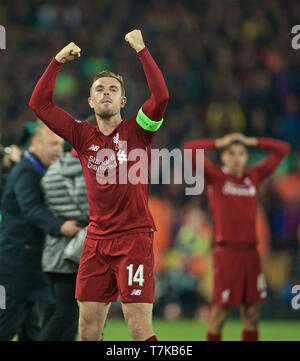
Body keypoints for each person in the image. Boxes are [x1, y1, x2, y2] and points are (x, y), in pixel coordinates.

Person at [29, 29, 169, 341]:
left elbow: (161, 97)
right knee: (87, 331)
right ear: (91, 101)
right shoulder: (81, 135)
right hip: (95, 242)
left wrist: (142, 50)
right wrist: (57, 61)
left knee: (139, 329)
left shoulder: (139, 130)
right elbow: (39, 104)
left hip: (133, 239)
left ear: (122, 99)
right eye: (100, 89)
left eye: (113, 89)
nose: (106, 92)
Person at [183, 133, 290, 341]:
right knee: (220, 314)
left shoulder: (253, 177)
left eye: (241, 153)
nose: (237, 157)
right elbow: (188, 149)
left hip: (251, 254)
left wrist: (253, 141)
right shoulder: (216, 177)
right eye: (231, 153)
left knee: (252, 314)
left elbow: (283, 149)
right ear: (223, 158)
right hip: (227, 254)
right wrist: (217, 142)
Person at [0, 125, 82, 341]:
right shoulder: (27, 171)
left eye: (61, 145)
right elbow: (31, 209)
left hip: (28, 268)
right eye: (53, 144)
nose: (59, 150)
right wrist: (60, 226)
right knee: (5, 326)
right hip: (13, 270)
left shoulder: (36, 169)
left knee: (31, 332)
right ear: (36, 145)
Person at [37, 118, 96, 341]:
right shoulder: (81, 169)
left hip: (53, 252)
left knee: (61, 316)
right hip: (72, 255)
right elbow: (89, 208)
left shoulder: (54, 168)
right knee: (65, 315)